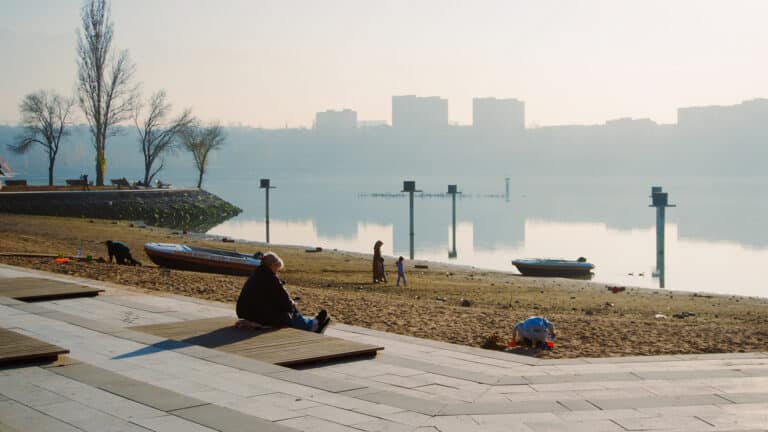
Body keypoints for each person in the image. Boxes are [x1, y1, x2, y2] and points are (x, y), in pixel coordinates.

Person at [236, 252, 330, 333]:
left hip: (244, 311)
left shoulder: (256, 274)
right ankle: (313, 325)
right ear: (272, 265)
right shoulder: (271, 279)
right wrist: (292, 304)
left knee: (286, 308)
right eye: (277, 268)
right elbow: (285, 302)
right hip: (257, 314)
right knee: (288, 313)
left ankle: (312, 322)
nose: (277, 271)